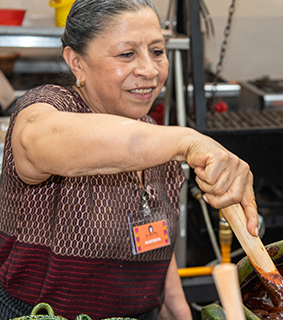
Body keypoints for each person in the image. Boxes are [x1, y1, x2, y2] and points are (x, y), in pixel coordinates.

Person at [0, 0, 259, 319]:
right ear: (77, 63)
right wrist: (187, 140)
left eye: (157, 51)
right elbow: (39, 139)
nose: (150, 70)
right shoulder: (48, 106)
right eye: (126, 54)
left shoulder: (152, 136)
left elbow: (154, 249)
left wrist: (180, 313)